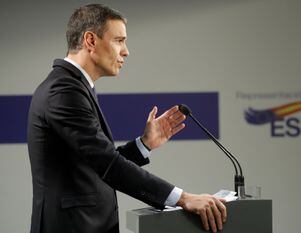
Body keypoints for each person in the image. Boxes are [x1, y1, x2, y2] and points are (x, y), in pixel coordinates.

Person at [27, 4, 226, 233]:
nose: (126, 51)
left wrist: (144, 144)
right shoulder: (63, 91)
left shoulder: (74, 87)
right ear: (90, 41)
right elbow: (108, 165)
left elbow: (95, 165)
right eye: (119, 40)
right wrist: (183, 198)